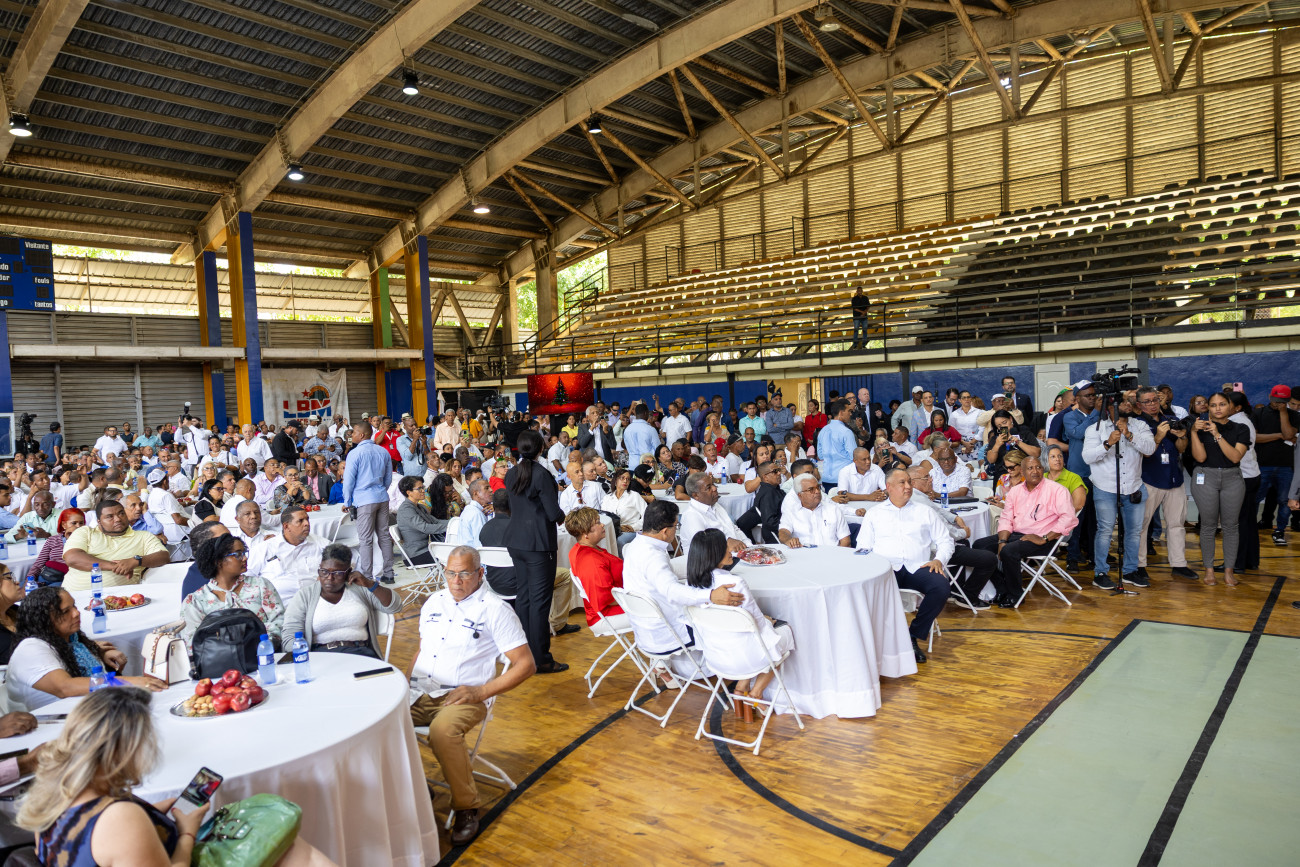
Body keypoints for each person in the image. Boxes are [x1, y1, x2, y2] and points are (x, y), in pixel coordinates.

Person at [19, 688, 335, 867]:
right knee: (290, 844)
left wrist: (153, 814)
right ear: (125, 752)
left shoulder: (50, 795)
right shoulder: (120, 818)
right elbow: (121, 834)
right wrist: (186, 832)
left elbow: (101, 847)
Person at [408, 546, 536, 845]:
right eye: (450, 573)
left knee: (442, 732)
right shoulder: (434, 602)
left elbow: (526, 665)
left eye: (464, 573)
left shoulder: (495, 610)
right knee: (381, 722)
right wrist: (405, 684)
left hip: (464, 696)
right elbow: (422, 650)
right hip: (419, 690)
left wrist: (481, 691)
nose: (456, 580)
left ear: (480, 573)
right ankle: (415, 786)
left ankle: (467, 807)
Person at [621, 500, 744, 679]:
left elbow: (662, 576)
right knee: (726, 615)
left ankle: (662, 665)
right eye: (675, 526)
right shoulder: (653, 556)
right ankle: (739, 669)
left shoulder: (635, 546)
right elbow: (672, 591)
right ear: (665, 531)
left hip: (644, 628)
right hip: (668, 630)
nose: (676, 530)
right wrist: (711, 595)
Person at [685, 527, 794, 711]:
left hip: (715, 656)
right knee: (783, 633)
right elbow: (758, 625)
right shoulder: (734, 583)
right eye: (725, 547)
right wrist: (768, 620)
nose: (731, 550)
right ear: (714, 553)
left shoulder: (691, 586)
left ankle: (741, 687)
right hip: (744, 658)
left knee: (748, 637)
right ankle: (756, 693)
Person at [7, 587, 166, 711]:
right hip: (49, 725)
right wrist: (129, 681)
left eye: (74, 606)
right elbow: (65, 687)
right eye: (66, 611)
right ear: (44, 620)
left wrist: (100, 654)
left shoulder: (73, 640)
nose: (76, 613)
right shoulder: (31, 648)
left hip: (84, 711)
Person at [855, 468, 951, 663]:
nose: (908, 486)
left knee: (941, 587)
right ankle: (872, 640)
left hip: (918, 567)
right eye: (902, 483)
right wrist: (871, 569)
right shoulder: (874, 514)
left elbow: (946, 541)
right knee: (862, 590)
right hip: (885, 569)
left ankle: (912, 635)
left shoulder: (925, 511)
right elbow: (863, 547)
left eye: (909, 482)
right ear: (888, 487)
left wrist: (939, 560)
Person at [973, 455, 1079, 607]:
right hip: (1017, 535)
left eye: (1038, 467)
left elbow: (1069, 519)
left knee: (1009, 551)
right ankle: (1002, 588)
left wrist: (1044, 538)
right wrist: (1002, 541)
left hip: (1044, 538)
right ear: (1022, 472)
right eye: (1030, 468)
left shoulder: (1057, 490)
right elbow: (1006, 518)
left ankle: (1015, 595)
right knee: (979, 546)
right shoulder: (1015, 491)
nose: (1035, 471)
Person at [501, 430, 567, 674]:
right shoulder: (541, 474)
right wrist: (563, 516)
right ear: (541, 449)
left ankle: (524, 654)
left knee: (524, 598)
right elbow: (552, 512)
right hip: (538, 543)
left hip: (516, 540)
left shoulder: (511, 473)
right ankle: (541, 660)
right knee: (539, 602)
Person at [1082, 399, 1155, 590]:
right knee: (1105, 530)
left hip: (1133, 487)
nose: (1128, 405)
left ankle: (1130, 571)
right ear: (1110, 407)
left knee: (1134, 532)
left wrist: (1129, 435)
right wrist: (1107, 444)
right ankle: (1100, 573)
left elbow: (1150, 449)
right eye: (1123, 402)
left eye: (1129, 402)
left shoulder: (1139, 426)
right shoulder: (1095, 429)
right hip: (1105, 487)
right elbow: (1087, 457)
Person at [282, 543, 401, 659]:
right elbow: (289, 637)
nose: (329, 578)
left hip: (361, 655)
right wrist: (306, 659)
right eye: (324, 571)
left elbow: (395, 606)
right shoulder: (305, 595)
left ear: (349, 572)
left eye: (337, 573)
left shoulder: (360, 589)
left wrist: (370, 584)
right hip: (321, 657)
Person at [1189, 392, 1250, 587]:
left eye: (1222, 404)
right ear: (1208, 408)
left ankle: (1229, 571)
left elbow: (1235, 457)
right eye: (1213, 405)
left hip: (1232, 478)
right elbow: (1200, 458)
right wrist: (1193, 432)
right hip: (1205, 476)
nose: (1217, 408)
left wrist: (1216, 434)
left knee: (1231, 526)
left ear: (1230, 406)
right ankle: (1209, 570)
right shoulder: (1200, 428)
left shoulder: (1241, 428)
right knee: (1208, 525)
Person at [1133, 387, 1195, 581]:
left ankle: (1179, 564)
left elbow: (1181, 449)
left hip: (1174, 477)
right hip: (1149, 478)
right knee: (1142, 525)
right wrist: (1158, 436)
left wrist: (1182, 436)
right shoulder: (1137, 424)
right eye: (1147, 401)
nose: (1152, 404)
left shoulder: (1170, 419)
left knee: (1177, 524)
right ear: (1139, 404)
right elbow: (1146, 453)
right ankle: (1139, 565)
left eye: (1155, 400)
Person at [182, 533, 285, 647]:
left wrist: (258, 645)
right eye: (238, 554)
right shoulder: (195, 601)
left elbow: (280, 621)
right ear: (218, 561)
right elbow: (192, 642)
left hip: (264, 651)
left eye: (244, 553)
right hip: (219, 657)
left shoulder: (260, 585)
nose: (245, 558)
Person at [61, 500, 170, 591]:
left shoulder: (143, 536)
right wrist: (115, 566)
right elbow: (72, 558)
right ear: (99, 522)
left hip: (123, 598)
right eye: (110, 517)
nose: (118, 519)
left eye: (121, 513)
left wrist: (137, 561)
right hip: (74, 596)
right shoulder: (85, 532)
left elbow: (164, 556)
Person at [342, 421, 396, 585]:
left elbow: (348, 481)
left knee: (366, 540)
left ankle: (367, 576)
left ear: (362, 435)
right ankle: (389, 573)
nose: (352, 435)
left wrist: (347, 501)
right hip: (382, 497)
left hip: (364, 499)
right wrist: (380, 490)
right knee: (384, 536)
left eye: (354, 432)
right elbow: (388, 478)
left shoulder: (355, 453)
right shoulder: (383, 451)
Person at [246, 506, 327, 603]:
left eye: (307, 519)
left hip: (315, 601)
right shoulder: (265, 548)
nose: (307, 524)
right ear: (286, 526)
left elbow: (339, 558)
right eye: (300, 521)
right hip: (280, 604)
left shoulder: (319, 543)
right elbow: (247, 579)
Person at [1252, 384, 1298, 545]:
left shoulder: (1293, 415)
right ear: (1270, 397)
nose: (1278, 403)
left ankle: (1279, 531)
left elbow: (1289, 434)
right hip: (1262, 465)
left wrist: (1283, 412)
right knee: (1254, 498)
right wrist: (1278, 435)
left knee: (1285, 500)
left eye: (1283, 401)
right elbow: (1254, 438)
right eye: (1276, 400)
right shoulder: (1258, 413)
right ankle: (1250, 528)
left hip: (1286, 466)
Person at [565, 507, 625, 626]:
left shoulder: (582, 549)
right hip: (607, 614)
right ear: (585, 533)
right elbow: (604, 599)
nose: (602, 525)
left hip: (618, 601)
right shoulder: (590, 560)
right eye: (597, 523)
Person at [678, 472, 749, 555]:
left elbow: (734, 529)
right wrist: (726, 542)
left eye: (713, 484)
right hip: (713, 560)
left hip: (737, 554)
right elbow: (703, 547)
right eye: (708, 487)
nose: (714, 488)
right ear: (696, 495)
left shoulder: (715, 505)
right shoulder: (691, 516)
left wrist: (749, 547)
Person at [778, 473, 850, 547]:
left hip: (832, 552)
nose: (817, 491)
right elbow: (783, 532)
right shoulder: (791, 511)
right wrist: (788, 540)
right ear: (800, 495)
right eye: (811, 489)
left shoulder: (833, 510)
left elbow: (846, 541)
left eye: (818, 487)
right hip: (804, 553)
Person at [26, 507, 85, 584]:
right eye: (74, 523)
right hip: (46, 575)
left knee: (51, 590)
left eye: (81, 523)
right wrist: (29, 581)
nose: (78, 526)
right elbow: (39, 564)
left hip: (65, 580)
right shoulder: (53, 540)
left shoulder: (86, 541)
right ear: (64, 525)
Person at [396, 476, 447, 564]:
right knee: (455, 555)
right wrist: (449, 527)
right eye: (419, 489)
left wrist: (457, 522)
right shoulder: (406, 510)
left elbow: (435, 521)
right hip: (415, 555)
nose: (423, 491)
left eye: (423, 487)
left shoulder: (420, 507)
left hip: (426, 549)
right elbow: (425, 528)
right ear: (409, 493)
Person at [180, 520, 230, 599]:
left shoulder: (203, 567)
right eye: (224, 540)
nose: (232, 542)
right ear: (205, 546)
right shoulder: (208, 578)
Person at [817, 399, 857, 492]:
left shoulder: (823, 430)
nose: (850, 414)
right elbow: (854, 456)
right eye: (849, 411)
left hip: (826, 478)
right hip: (844, 478)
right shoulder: (846, 432)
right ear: (841, 413)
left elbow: (820, 455)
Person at [602, 468, 645, 549]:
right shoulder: (607, 498)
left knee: (620, 541)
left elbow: (647, 514)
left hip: (629, 530)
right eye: (622, 478)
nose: (625, 481)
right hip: (612, 530)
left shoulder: (634, 496)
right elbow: (604, 517)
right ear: (615, 480)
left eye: (628, 479)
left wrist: (634, 527)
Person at [455, 478, 492, 546]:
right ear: (476, 493)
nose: (491, 490)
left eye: (490, 487)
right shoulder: (476, 514)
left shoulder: (470, 509)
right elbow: (480, 544)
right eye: (486, 488)